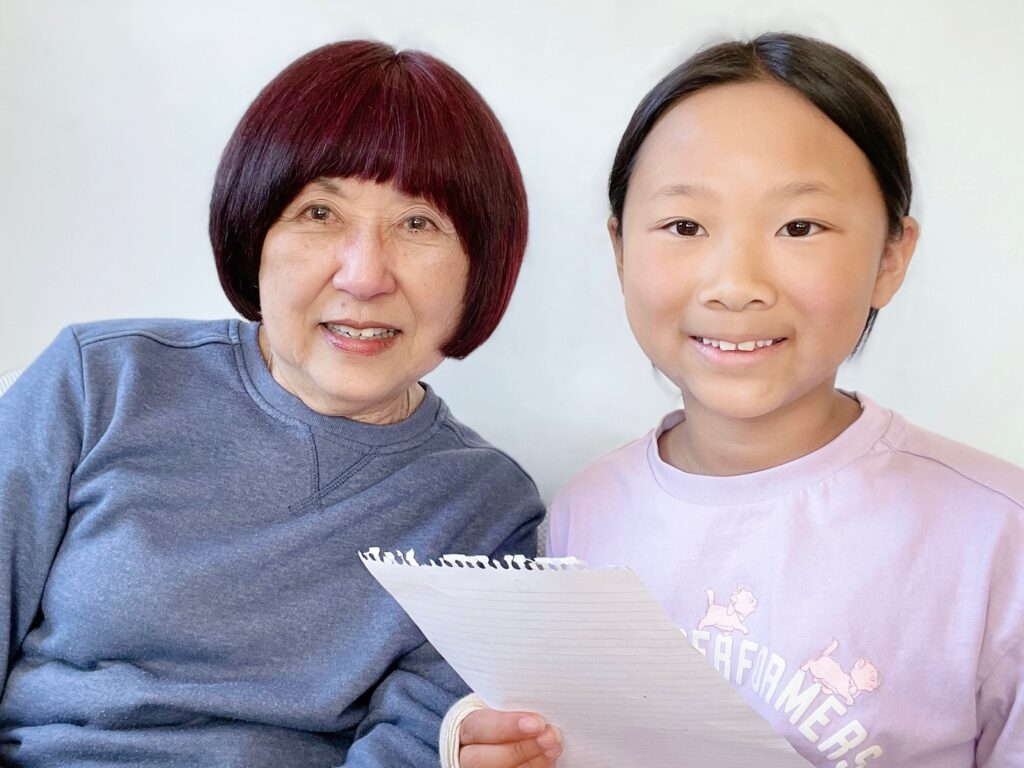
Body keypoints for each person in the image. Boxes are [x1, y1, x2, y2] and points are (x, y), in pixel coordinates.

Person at [447, 32, 1023, 768]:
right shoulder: (583, 515)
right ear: (621, 250)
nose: (735, 282)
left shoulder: (998, 536)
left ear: (890, 258)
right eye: (685, 226)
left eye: (799, 226)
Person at [0, 40, 544, 767]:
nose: (364, 275)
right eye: (320, 212)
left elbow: (412, 747)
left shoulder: (488, 509)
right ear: (253, 233)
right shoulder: (100, 381)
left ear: (482, 267)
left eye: (418, 224)